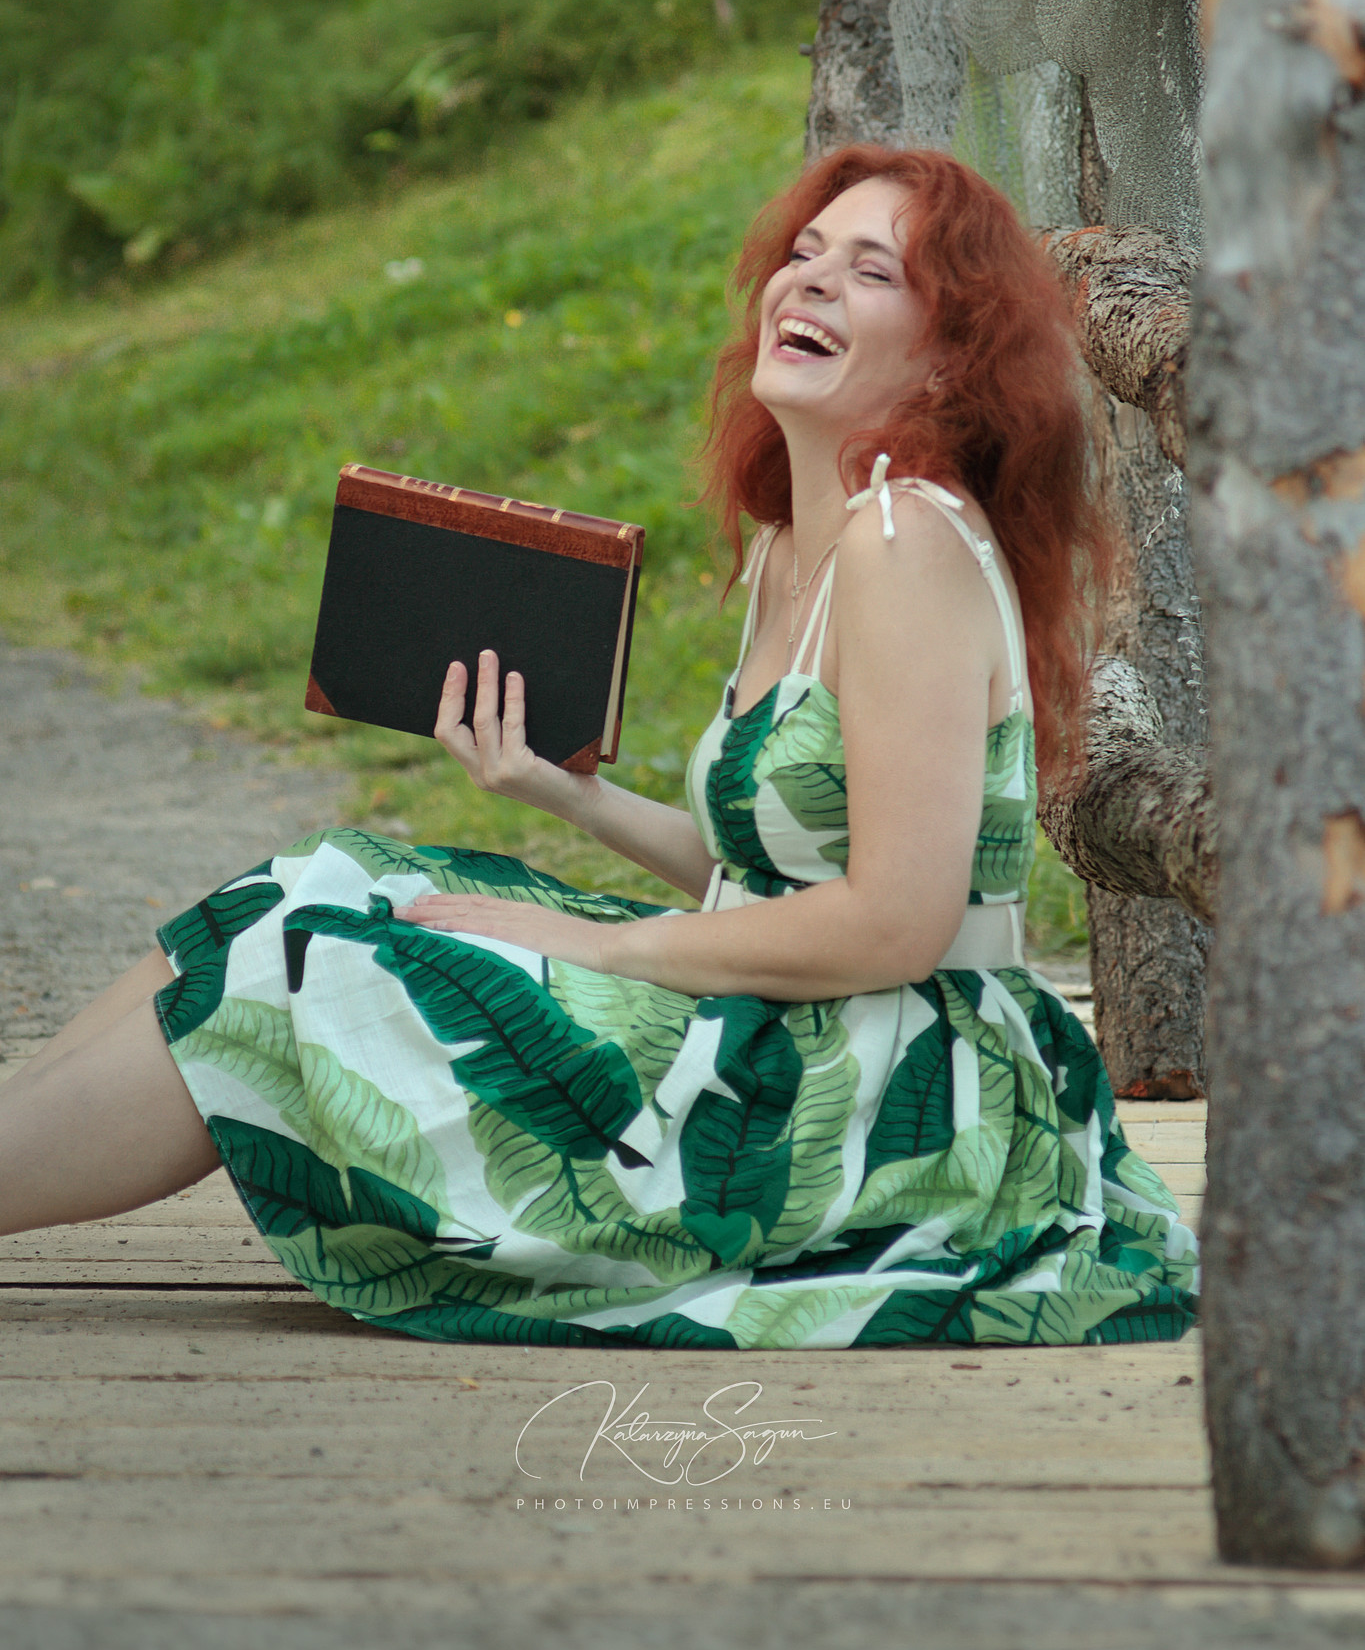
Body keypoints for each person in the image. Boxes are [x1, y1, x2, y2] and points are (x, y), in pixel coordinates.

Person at [0, 144, 1197, 1349]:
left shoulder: (907, 543)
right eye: (803, 254)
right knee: (320, 878)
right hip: (806, 1025)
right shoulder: (804, 543)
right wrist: (572, 798)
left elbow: (898, 920)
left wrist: (593, 944)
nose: (811, 283)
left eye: (872, 271)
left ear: (952, 355)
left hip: (893, 1100)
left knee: (303, 958)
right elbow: (770, 887)